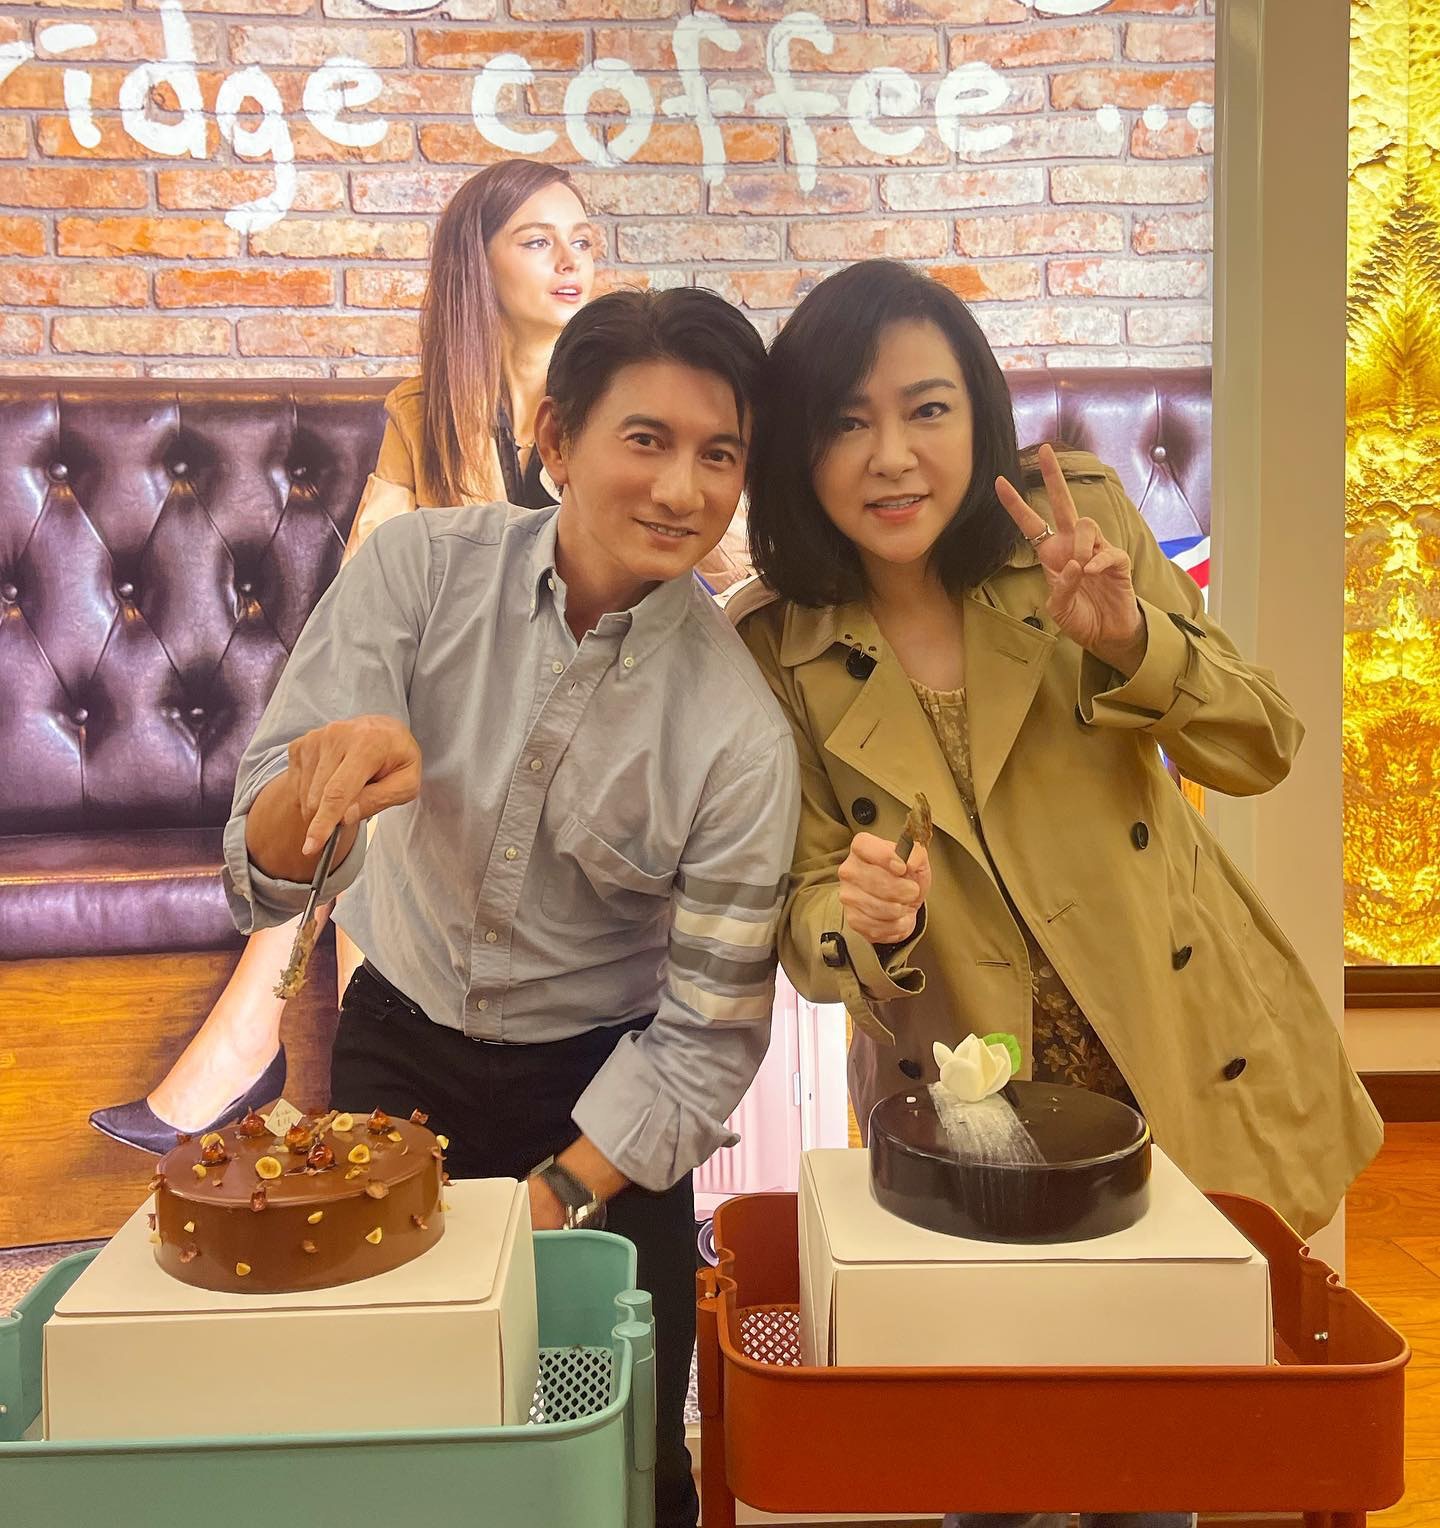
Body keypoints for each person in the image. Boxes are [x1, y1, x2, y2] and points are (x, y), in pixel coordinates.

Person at [732, 259, 1382, 1528]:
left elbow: (1261, 744)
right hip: (974, 1121)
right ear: (800, 453)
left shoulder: (1071, 528)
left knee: (1162, 1455)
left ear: (978, 413)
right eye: (846, 422)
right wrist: (860, 916)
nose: (891, 456)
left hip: (1174, 1060)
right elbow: (801, 914)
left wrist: (1133, 640)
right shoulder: (774, 645)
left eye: (926, 409)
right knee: (991, 1462)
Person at [222, 285, 799, 1528]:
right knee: (393, 1435)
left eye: (719, 454)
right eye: (645, 439)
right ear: (556, 438)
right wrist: (318, 789)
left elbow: (706, 1036)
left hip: (601, 1102)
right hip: (399, 1046)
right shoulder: (418, 573)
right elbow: (255, 861)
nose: (683, 489)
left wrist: (553, 1200)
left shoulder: (738, 730)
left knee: (623, 1464)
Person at [90, 158, 599, 1152]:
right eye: (539, 240)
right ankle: (373, 1105)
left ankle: (257, 1040)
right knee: (382, 741)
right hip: (463, 712)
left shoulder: (624, 396)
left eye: (581, 239)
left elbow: (712, 552)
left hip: (589, 694)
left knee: (394, 739)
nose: (570, 260)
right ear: (478, 266)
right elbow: (374, 574)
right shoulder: (428, 408)